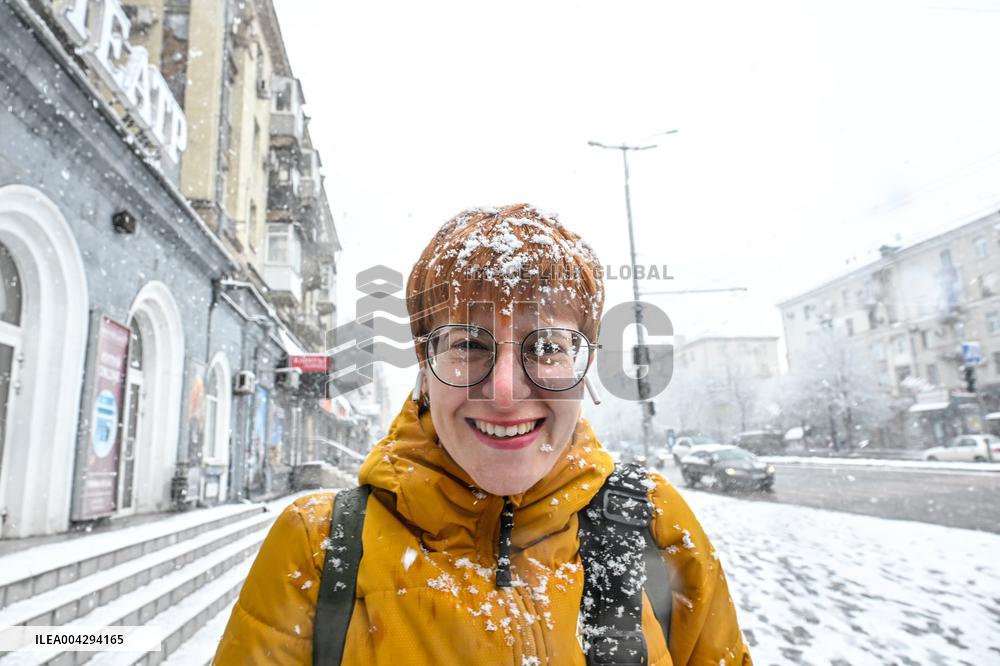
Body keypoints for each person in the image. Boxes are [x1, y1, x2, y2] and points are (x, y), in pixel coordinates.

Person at [213, 204, 753, 665]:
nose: (505, 392)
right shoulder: (318, 547)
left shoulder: (653, 524)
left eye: (547, 347)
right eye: (469, 345)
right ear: (424, 366)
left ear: (585, 366)